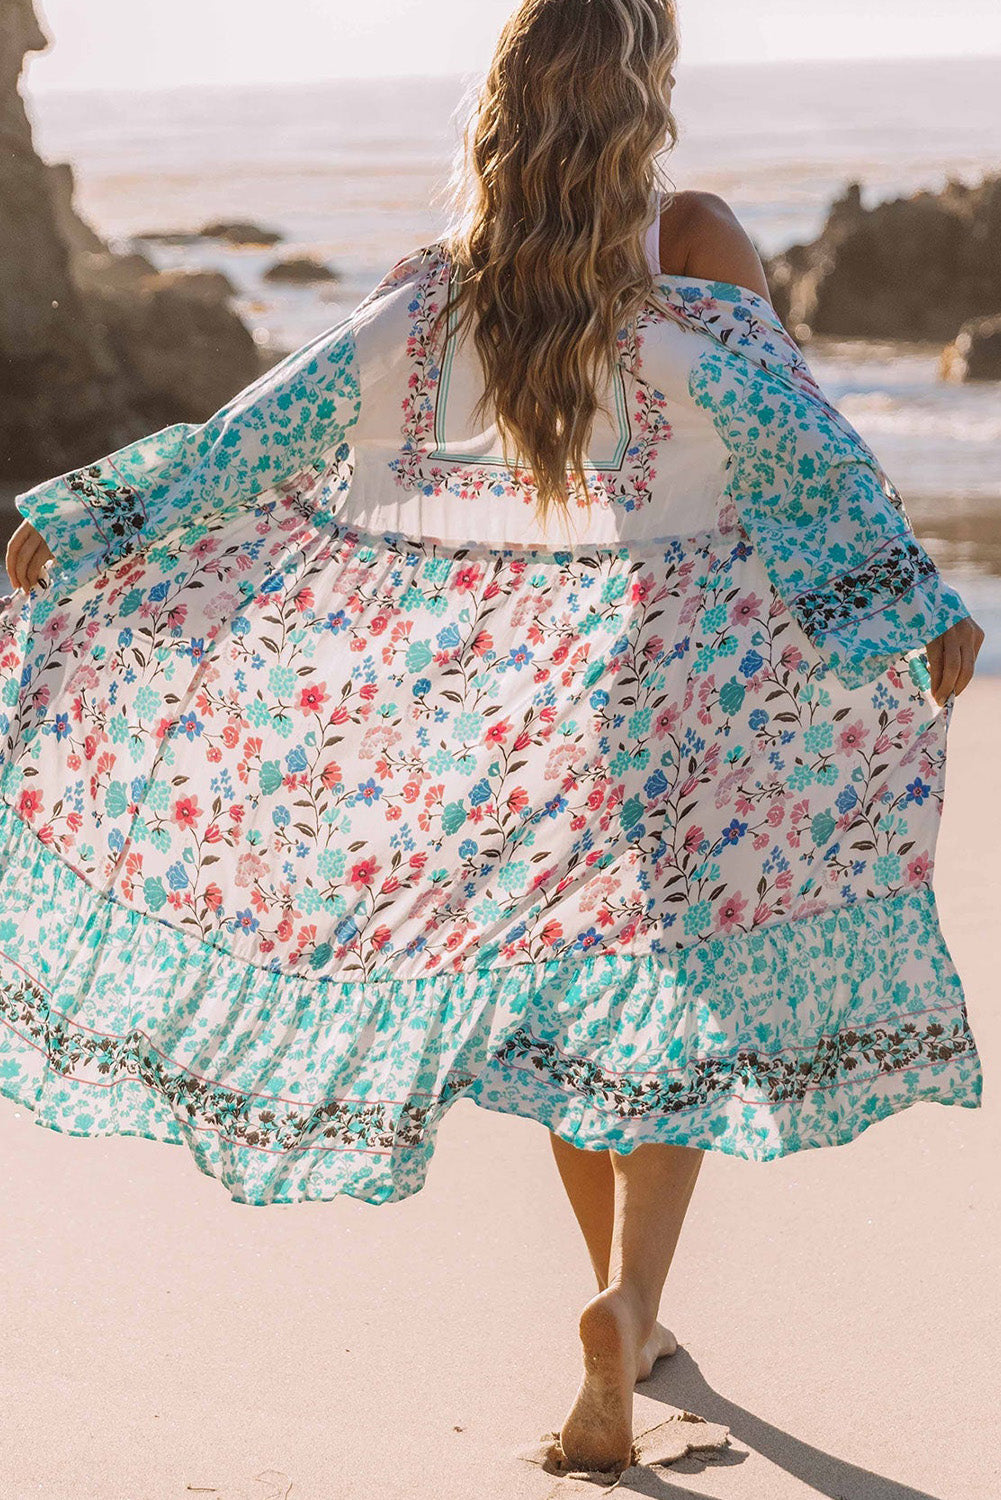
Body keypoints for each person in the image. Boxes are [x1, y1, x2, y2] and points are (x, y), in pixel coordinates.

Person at [0, 0, 986, 1476]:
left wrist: (96, 520)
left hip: (560, 693)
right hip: (708, 677)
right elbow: (801, 443)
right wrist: (914, 606)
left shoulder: (440, 286)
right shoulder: (696, 239)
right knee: (682, 999)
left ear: (509, 104)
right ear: (641, 92)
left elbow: (264, 435)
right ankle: (631, 1306)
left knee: (571, 997)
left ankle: (625, 1327)